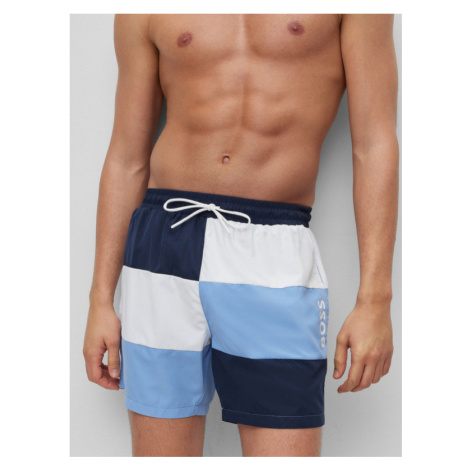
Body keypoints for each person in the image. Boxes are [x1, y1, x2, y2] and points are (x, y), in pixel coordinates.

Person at [83, 13, 398, 457]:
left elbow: (374, 142)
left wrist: (376, 300)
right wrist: (100, 300)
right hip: (164, 245)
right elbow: (126, 157)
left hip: (275, 249)